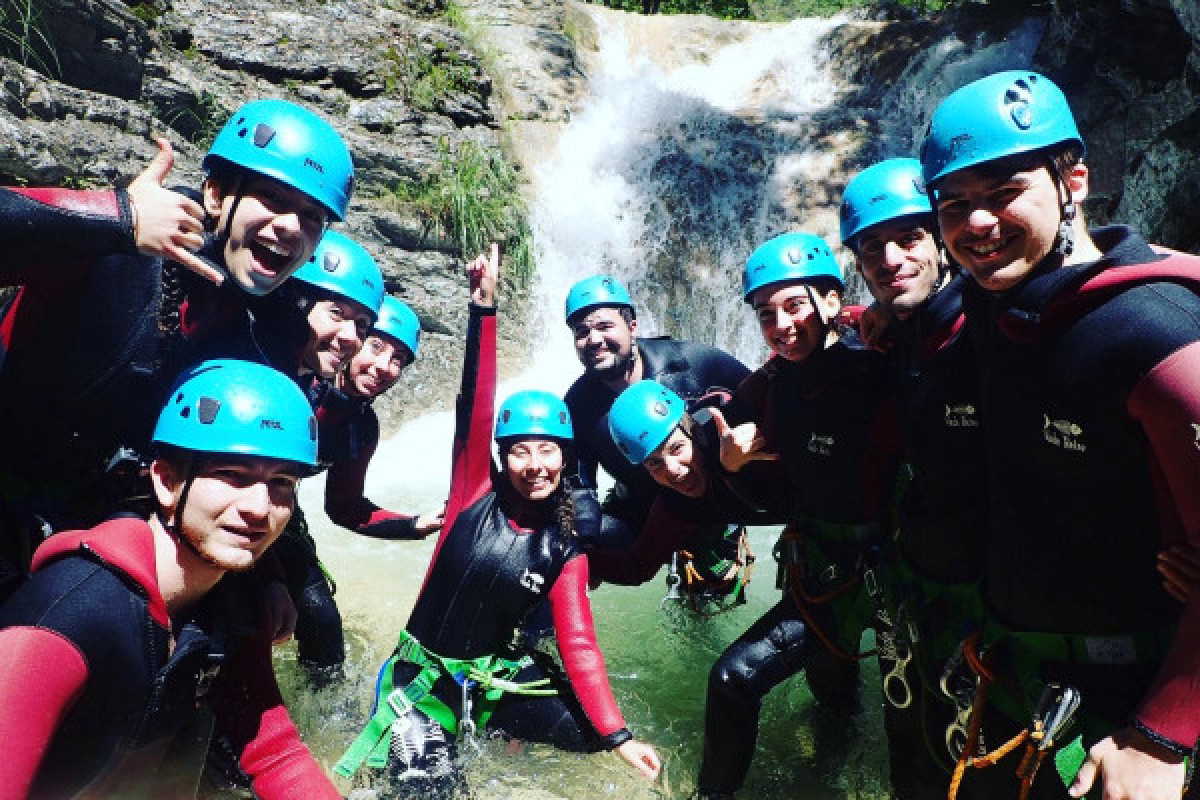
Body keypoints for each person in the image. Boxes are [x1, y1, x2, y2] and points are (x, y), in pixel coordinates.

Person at [920, 69, 1200, 800]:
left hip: (1131, 709)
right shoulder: (990, 305)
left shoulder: (1154, 332)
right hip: (1016, 675)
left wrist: (1162, 739)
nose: (975, 223)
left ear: (1073, 177)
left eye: (1004, 191)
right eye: (953, 205)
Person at [335, 246, 661, 793]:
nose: (535, 466)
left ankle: (502, 737)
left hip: (495, 683)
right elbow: (478, 404)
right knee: (433, 789)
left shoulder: (567, 550)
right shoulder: (471, 495)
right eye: (520, 452)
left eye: (549, 451)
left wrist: (618, 735)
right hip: (425, 685)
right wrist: (483, 309)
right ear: (501, 457)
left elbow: (580, 645)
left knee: (592, 736)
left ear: (567, 457)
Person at [0, 98, 354, 598]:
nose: (293, 227)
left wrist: (280, 579)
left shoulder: (266, 334)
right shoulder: (115, 249)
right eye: (273, 199)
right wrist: (116, 218)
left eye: (313, 218)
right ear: (215, 193)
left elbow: (261, 471)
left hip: (84, 524)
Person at [0, 359, 341, 799]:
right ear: (165, 481)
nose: (261, 507)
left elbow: (275, 754)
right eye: (232, 475)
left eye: (281, 483)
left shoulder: (230, 608)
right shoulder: (67, 621)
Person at [695, 232, 904, 798]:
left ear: (831, 303)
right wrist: (732, 464)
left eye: (795, 306)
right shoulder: (768, 384)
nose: (781, 324)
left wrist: (877, 311)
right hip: (822, 573)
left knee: (906, 718)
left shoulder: (881, 360)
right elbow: (732, 482)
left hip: (900, 576)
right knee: (754, 683)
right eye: (767, 314)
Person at [841, 157, 987, 798]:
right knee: (919, 759)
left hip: (1000, 607)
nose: (891, 259)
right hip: (922, 588)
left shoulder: (993, 326)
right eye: (873, 248)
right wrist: (860, 319)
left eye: (908, 239)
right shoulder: (899, 335)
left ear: (942, 242)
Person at [271, 229, 386, 681]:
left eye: (362, 327)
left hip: (275, 510)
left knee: (318, 615)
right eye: (337, 314)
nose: (350, 338)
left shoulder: (353, 421)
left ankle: (322, 723)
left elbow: (344, 507)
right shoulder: (255, 360)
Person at [562, 274, 750, 549]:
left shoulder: (693, 362)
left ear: (632, 327)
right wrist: (584, 543)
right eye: (582, 332)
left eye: (605, 326)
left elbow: (764, 399)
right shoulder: (579, 405)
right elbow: (579, 486)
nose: (594, 339)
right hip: (642, 509)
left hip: (714, 501)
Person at [588, 379, 765, 614]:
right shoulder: (674, 504)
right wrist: (579, 561)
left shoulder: (744, 433)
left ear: (697, 432)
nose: (673, 470)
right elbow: (638, 566)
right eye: (654, 463)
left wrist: (735, 468)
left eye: (677, 448)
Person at [321, 294, 444, 541]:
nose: (384, 367)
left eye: (397, 359)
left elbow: (344, 507)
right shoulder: (301, 386)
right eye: (376, 347)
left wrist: (415, 525)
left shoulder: (362, 426)